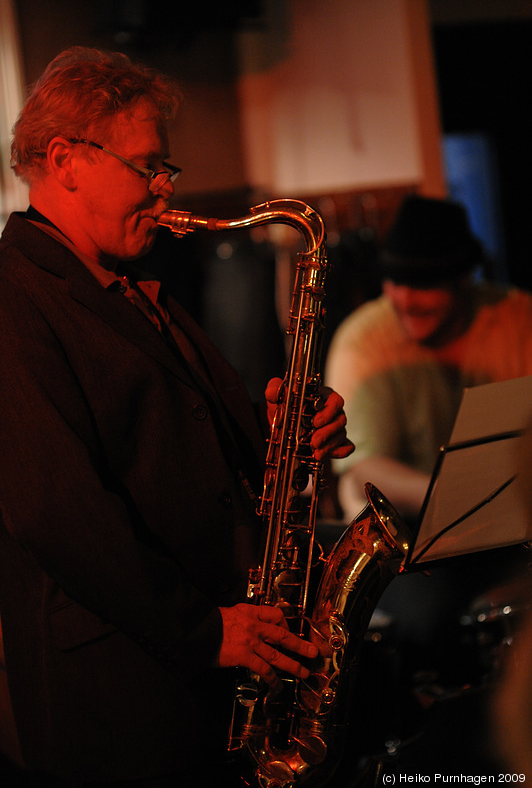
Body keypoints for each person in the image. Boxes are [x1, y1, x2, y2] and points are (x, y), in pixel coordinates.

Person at [0, 47, 353, 788]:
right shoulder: (15, 299)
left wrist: (281, 436)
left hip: (198, 684)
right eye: (148, 167)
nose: (164, 191)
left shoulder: (122, 283)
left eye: (167, 171)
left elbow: (173, 449)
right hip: (122, 707)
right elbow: (56, 510)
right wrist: (205, 628)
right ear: (65, 159)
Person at [325, 194, 532, 658]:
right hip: (406, 540)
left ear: (464, 277)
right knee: (428, 624)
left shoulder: (518, 319)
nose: (403, 297)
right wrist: (463, 499)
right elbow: (366, 468)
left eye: (422, 283)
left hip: (509, 528)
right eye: (394, 280)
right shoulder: (365, 337)